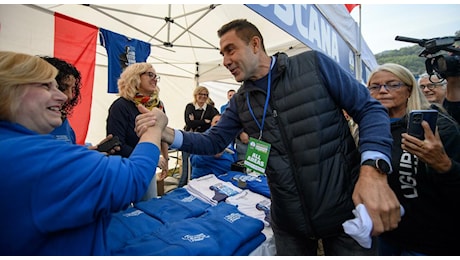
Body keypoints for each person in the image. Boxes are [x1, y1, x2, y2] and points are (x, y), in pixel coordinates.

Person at [155, 19, 401, 255]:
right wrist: (167, 134)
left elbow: (369, 109)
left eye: (230, 50)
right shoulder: (241, 100)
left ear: (255, 44)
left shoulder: (313, 65)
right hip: (288, 222)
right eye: (221, 55)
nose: (225, 61)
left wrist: (373, 171)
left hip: (345, 212)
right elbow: (212, 141)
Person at [0, 51, 167, 255]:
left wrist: (86, 153)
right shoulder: (33, 157)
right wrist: (153, 129)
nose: (64, 96)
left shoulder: (15, 144)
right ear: (8, 91)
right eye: (46, 85)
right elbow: (133, 177)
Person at [366, 63, 460, 255]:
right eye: (375, 87)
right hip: (383, 236)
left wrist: (443, 165)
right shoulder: (365, 130)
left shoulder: (438, 127)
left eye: (393, 84)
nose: (383, 91)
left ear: (409, 90)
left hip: (430, 241)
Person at [106, 62, 169, 200]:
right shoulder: (120, 106)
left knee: (149, 208)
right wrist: (152, 158)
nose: (154, 79)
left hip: (147, 168)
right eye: (150, 74)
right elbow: (116, 144)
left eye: (156, 76)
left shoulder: (158, 105)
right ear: (134, 77)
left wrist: (165, 159)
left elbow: (163, 134)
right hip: (124, 171)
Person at [43, 56, 119, 154]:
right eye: (62, 87)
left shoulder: (62, 120)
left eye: (72, 89)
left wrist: (86, 153)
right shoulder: (26, 127)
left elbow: (68, 152)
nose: (69, 96)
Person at [179, 85, 219, 187]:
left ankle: (197, 186)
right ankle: (183, 186)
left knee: (198, 166)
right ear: (196, 95)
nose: (203, 96)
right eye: (201, 94)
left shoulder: (211, 109)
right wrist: (204, 121)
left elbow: (216, 122)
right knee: (186, 166)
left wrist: (195, 122)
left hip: (202, 141)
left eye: (205, 95)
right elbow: (188, 122)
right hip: (188, 139)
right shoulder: (190, 106)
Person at [189, 114, 237, 179]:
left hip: (226, 176)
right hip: (206, 179)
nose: (219, 125)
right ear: (211, 124)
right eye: (216, 122)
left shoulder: (228, 137)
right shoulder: (202, 139)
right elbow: (194, 161)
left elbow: (233, 155)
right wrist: (211, 154)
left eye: (222, 122)